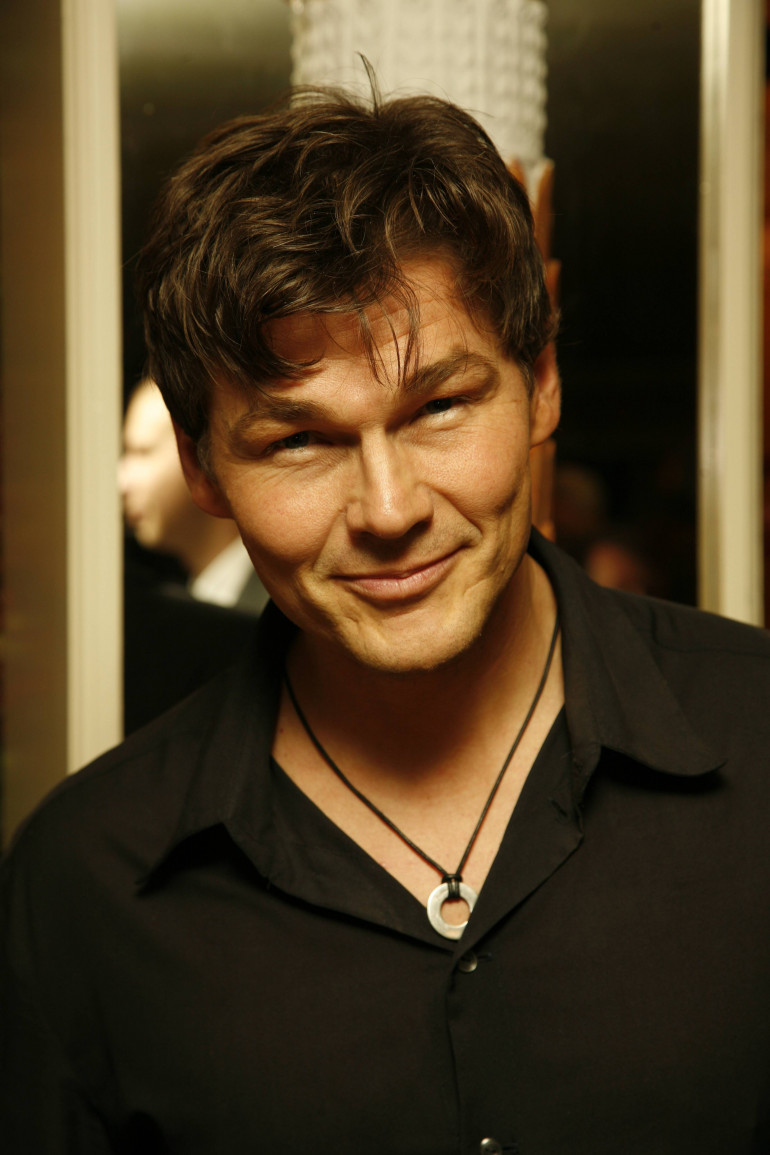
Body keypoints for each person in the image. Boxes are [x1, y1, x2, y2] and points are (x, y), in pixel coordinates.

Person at [3, 87, 770, 1155]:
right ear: (202, 469)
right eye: (298, 442)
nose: (389, 508)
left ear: (542, 385)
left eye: (440, 407)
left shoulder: (757, 738)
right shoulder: (84, 882)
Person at [120, 376, 268, 613]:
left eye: (142, 452)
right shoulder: (197, 599)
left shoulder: (276, 613)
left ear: (200, 456)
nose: (122, 482)